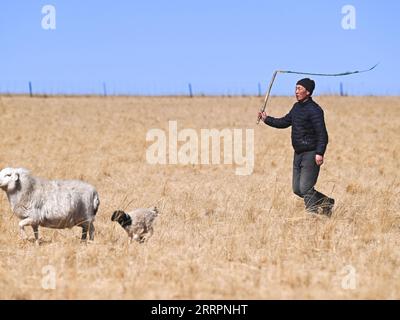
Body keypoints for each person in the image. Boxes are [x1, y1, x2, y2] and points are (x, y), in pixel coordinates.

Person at [258, 78, 334, 216]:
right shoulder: (296, 107)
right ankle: (327, 202)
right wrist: (266, 119)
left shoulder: (315, 110)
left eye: (299, 88)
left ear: (308, 91)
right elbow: (284, 122)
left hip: (311, 153)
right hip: (298, 153)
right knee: (297, 189)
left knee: (305, 188)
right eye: (296, 88)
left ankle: (312, 216)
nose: (296, 91)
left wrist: (320, 153)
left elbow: (323, 134)